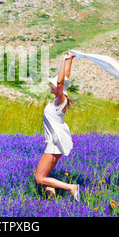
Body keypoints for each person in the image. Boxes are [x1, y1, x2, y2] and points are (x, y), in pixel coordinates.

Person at [34, 50, 80, 202]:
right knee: (44, 177)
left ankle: (71, 187)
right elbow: (65, 79)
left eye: (52, 84)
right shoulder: (58, 100)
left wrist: (62, 60)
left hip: (54, 144)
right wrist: (70, 60)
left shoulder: (61, 100)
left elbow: (61, 82)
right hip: (54, 143)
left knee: (39, 178)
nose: (50, 85)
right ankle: (52, 204)